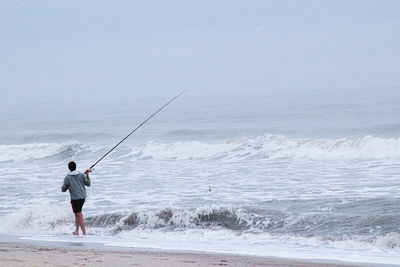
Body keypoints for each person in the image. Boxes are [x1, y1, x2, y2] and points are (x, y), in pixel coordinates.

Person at [61, 161, 91, 235]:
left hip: (75, 198)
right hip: (83, 197)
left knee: (79, 215)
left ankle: (84, 233)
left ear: (69, 168)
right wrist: (87, 175)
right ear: (75, 167)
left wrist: (68, 187)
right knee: (76, 214)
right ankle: (77, 230)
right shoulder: (81, 175)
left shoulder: (67, 177)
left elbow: (63, 189)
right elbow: (88, 183)